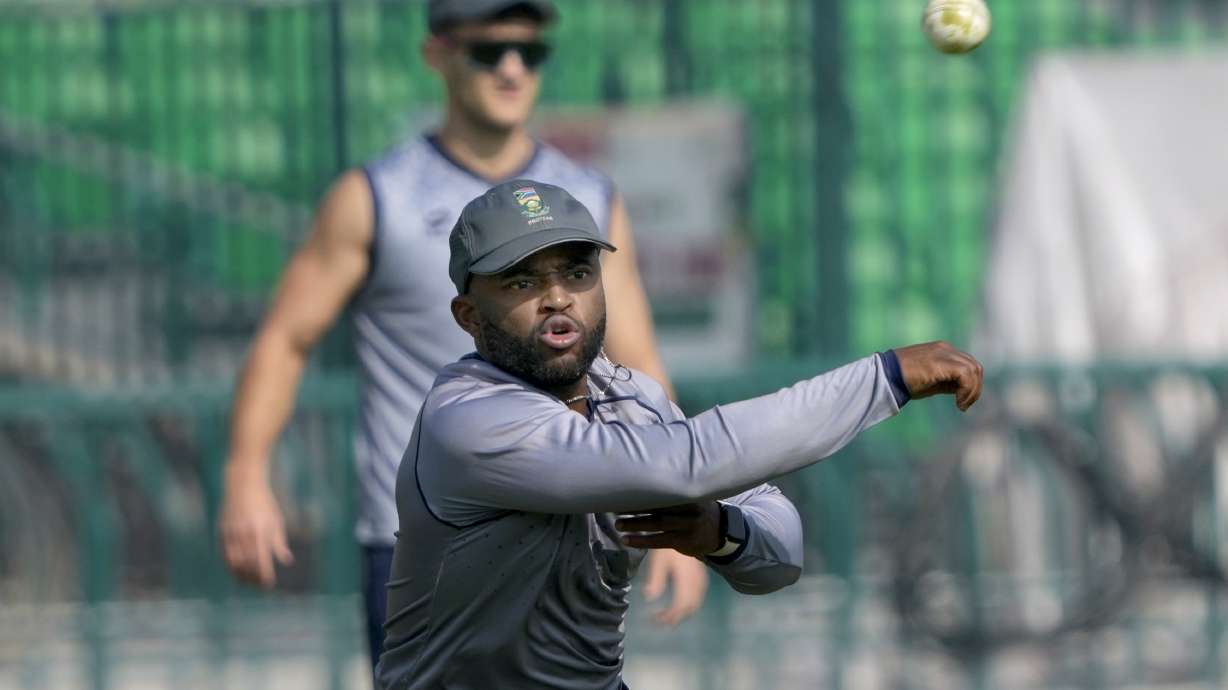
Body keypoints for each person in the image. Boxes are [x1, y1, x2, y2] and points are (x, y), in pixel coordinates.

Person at [218, 0, 708, 669]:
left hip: (562, 536)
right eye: (488, 51)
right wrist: (247, 475)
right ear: (437, 55)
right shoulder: (377, 197)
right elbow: (285, 340)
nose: (512, 69)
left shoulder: (585, 198)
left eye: (530, 52)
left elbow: (636, 358)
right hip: (423, 546)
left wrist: (677, 509)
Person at [376, 179, 984, 690]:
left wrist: (718, 533)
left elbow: (781, 556)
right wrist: (884, 379)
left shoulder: (629, 398)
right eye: (520, 281)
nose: (557, 296)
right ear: (468, 315)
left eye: (577, 271)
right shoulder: (467, 418)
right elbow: (686, 464)